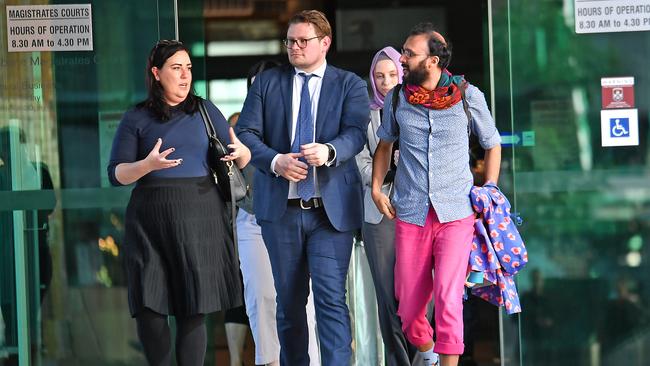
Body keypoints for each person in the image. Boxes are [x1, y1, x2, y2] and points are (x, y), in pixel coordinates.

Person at [236, 10, 370, 366]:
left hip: (331, 212)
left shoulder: (349, 84)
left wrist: (329, 151)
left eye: (302, 41)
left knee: (329, 299)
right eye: (290, 41)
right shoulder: (267, 83)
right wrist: (276, 161)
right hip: (281, 213)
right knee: (290, 302)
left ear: (324, 43)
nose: (294, 47)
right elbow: (247, 133)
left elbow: (356, 133)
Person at [107, 39, 250, 366]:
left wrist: (243, 154)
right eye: (176, 68)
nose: (185, 76)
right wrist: (147, 165)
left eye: (188, 68)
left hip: (200, 215)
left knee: (192, 306)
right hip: (149, 220)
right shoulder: (137, 117)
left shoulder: (205, 110)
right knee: (148, 307)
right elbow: (116, 174)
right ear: (157, 73)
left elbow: (238, 153)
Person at [371, 23, 501, 366]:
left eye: (409, 54)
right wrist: (375, 187)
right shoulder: (397, 97)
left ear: (432, 61)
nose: (402, 59)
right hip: (411, 213)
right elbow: (384, 145)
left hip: (456, 214)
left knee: (448, 296)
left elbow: (493, 144)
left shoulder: (469, 97)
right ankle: (426, 354)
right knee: (409, 309)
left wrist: (489, 188)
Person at [235, 60, 321, 366]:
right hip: (255, 218)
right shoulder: (238, 130)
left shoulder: (302, 122)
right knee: (261, 297)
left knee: (303, 300)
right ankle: (269, 361)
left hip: (296, 217)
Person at [356, 46, 426, 366]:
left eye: (392, 75)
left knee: (416, 296)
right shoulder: (363, 115)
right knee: (388, 297)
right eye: (379, 76)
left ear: (403, 74)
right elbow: (361, 162)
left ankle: (422, 358)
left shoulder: (418, 108)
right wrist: (384, 181)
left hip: (417, 211)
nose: (386, 82)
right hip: (378, 210)